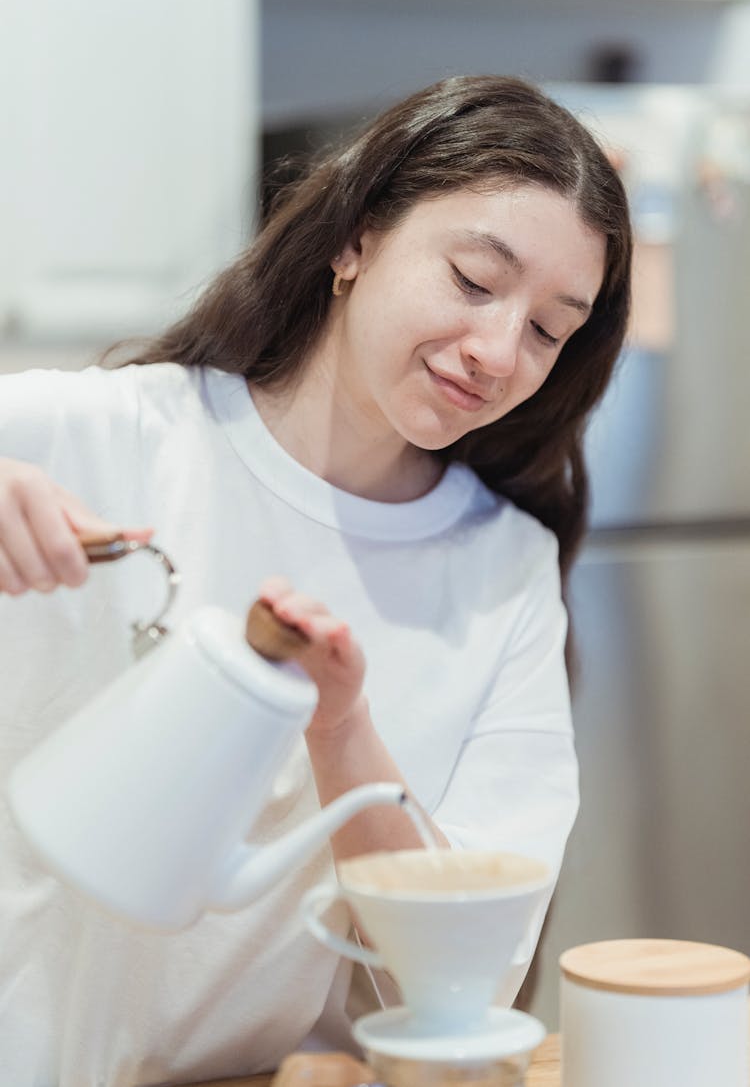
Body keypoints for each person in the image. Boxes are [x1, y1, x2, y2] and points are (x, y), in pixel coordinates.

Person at [0, 75, 632, 1085]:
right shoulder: (111, 436)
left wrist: (343, 733)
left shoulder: (502, 572)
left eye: (550, 329)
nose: (499, 351)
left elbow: (461, 980)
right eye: (474, 279)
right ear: (357, 240)